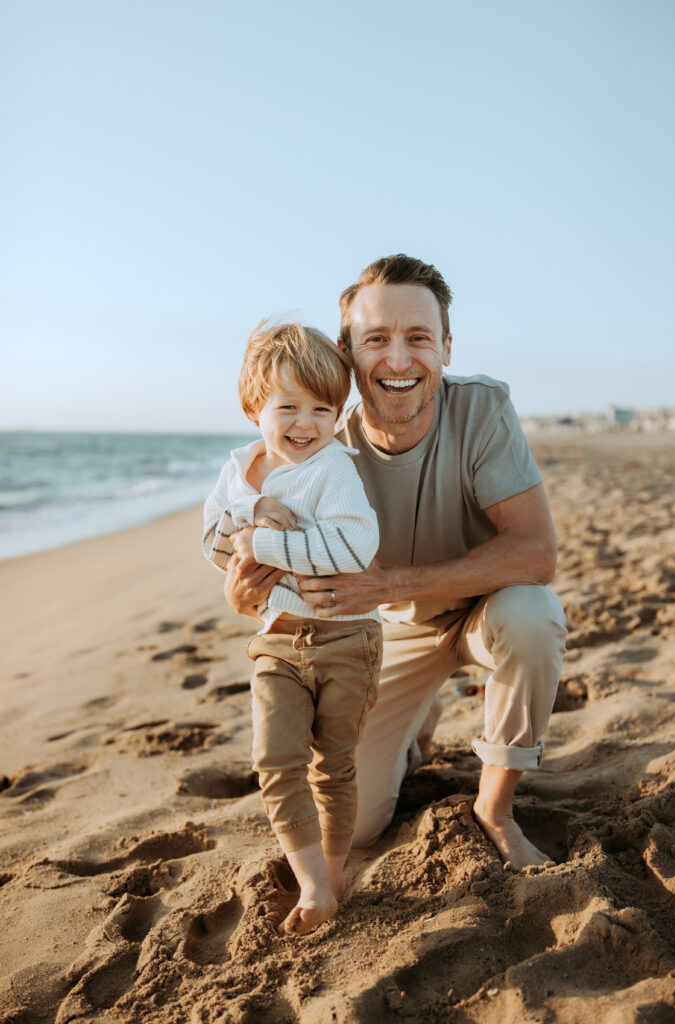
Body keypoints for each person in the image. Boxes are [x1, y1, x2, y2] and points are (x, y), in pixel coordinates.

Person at [224, 256, 567, 871]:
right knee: (355, 829)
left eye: (419, 338)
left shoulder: (483, 410)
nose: (400, 361)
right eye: (377, 339)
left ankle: (496, 808)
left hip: (488, 610)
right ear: (346, 351)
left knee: (532, 613)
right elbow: (263, 591)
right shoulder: (318, 451)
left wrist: (388, 582)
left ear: (446, 347)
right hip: (389, 634)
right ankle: (415, 727)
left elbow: (537, 553)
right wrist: (243, 591)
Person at [203, 321, 382, 934]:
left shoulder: (333, 468)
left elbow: (356, 545)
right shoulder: (239, 469)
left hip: (347, 639)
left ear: (339, 414)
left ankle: (330, 878)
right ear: (255, 406)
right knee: (276, 760)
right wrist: (247, 520)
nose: (305, 424)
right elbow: (213, 540)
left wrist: (268, 543)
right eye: (287, 407)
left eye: (322, 409)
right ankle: (312, 884)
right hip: (277, 639)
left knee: (334, 764)